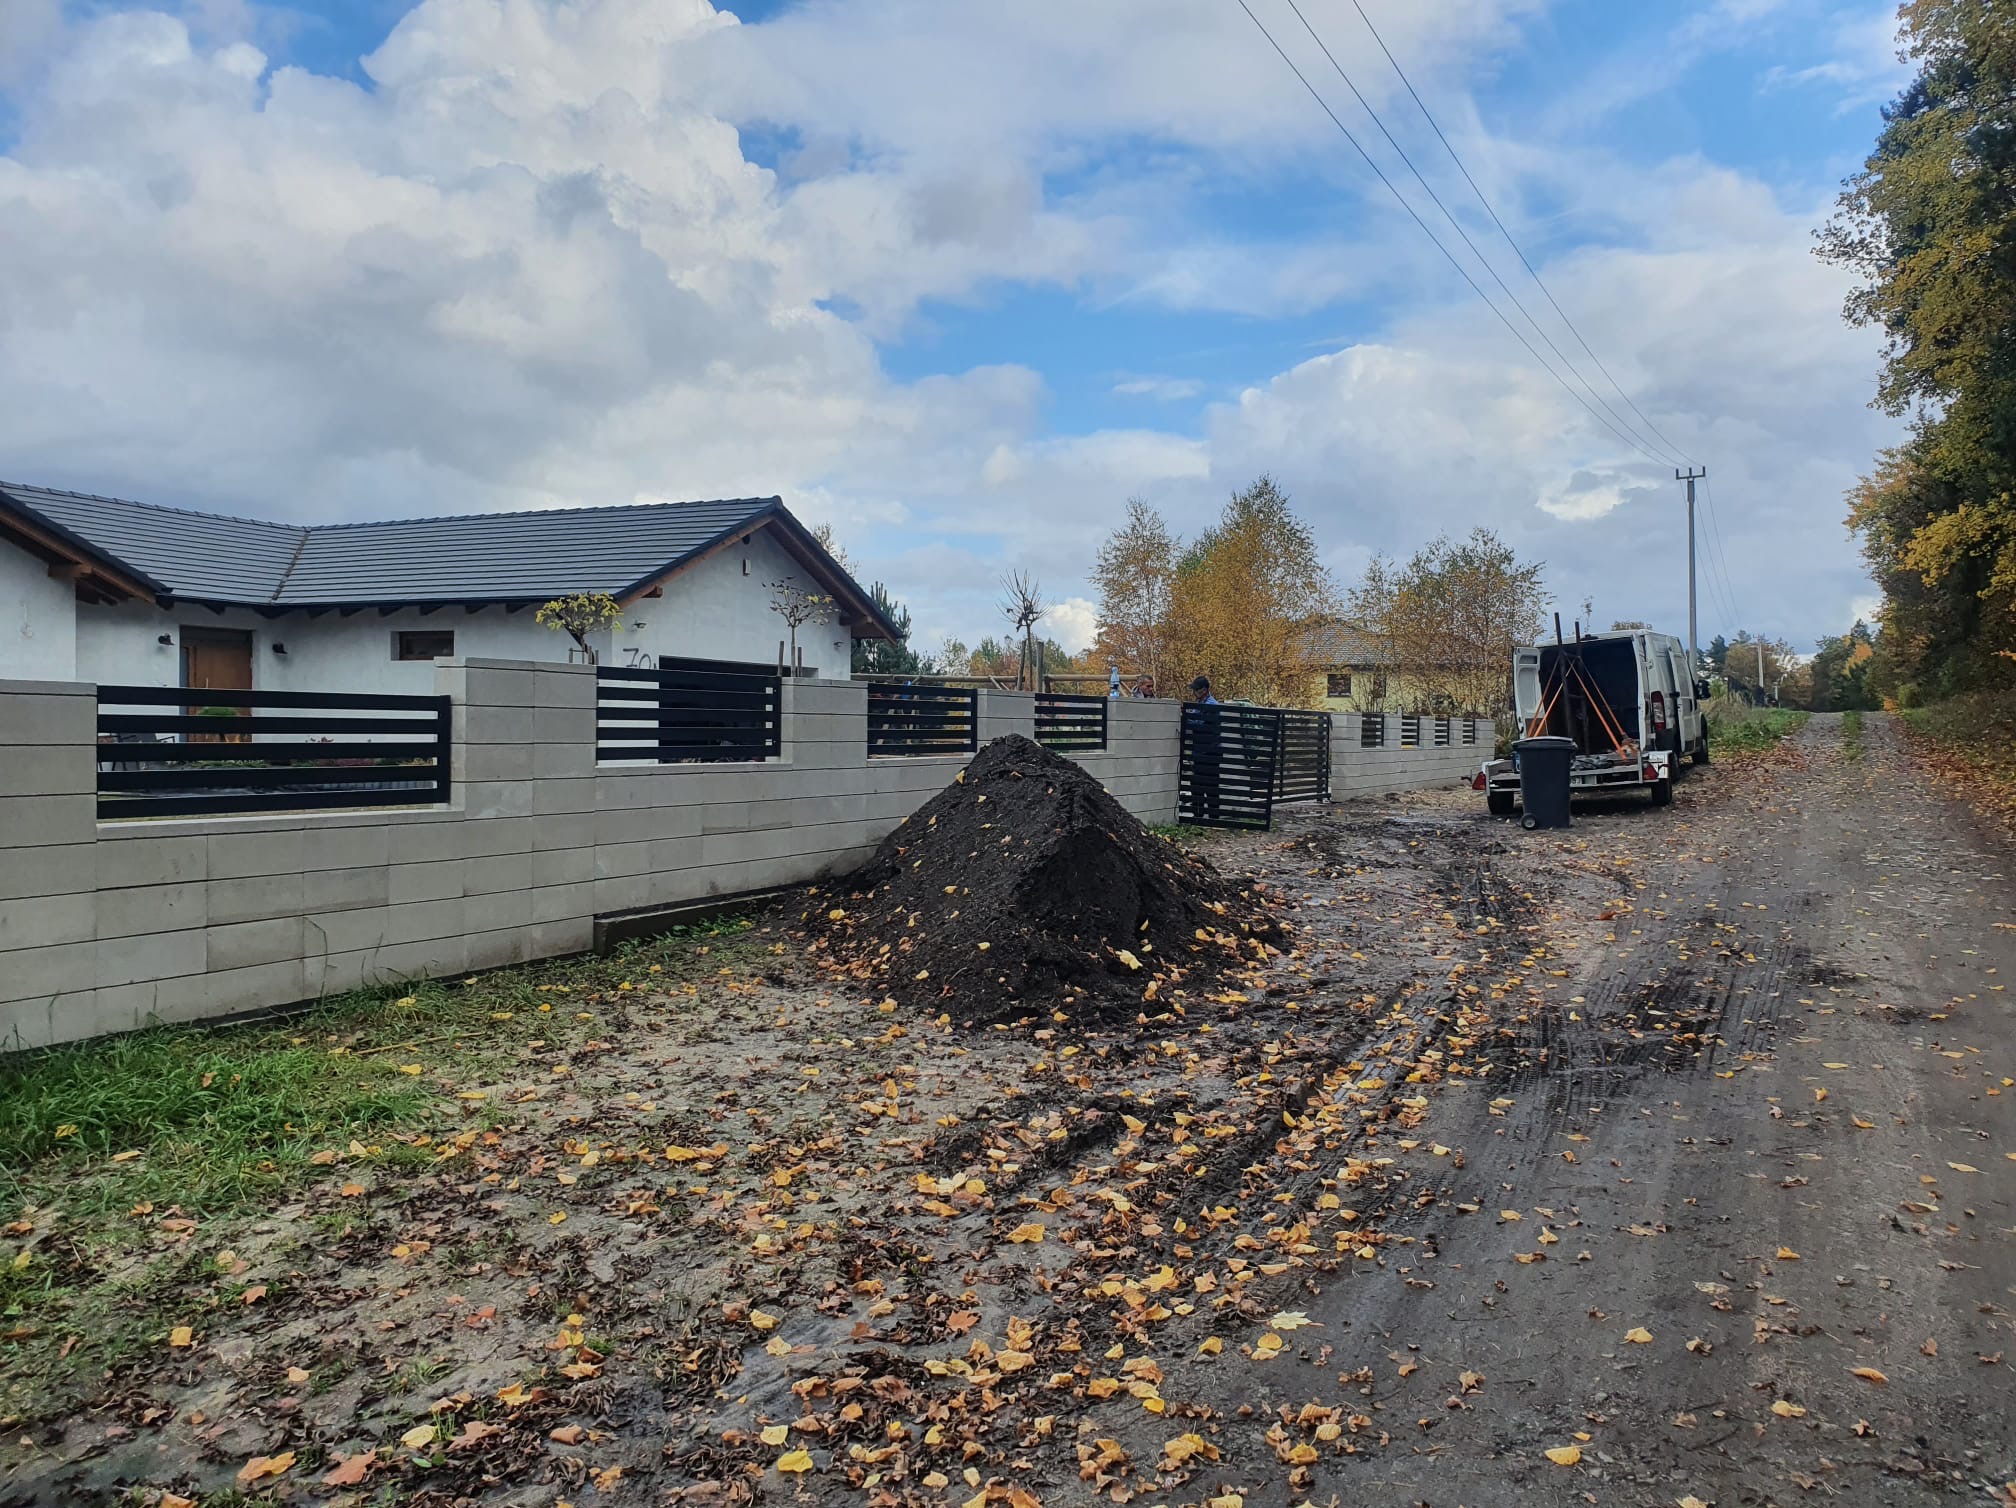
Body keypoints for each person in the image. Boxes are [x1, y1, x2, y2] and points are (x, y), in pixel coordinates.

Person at [1184, 675, 1223, 822]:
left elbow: (1202, 726)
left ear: (1204, 690)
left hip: (1209, 751)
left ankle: (1212, 817)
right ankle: (1200, 814)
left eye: (1196, 689)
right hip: (1202, 750)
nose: (1194, 692)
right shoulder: (1202, 703)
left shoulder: (1211, 705)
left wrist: (1186, 718)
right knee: (1198, 784)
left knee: (1210, 785)